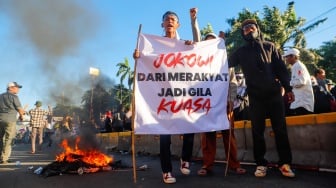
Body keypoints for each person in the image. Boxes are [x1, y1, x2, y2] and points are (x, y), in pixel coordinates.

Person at [133, 10, 195, 184]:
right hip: (162, 97)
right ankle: (167, 171)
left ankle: (186, 158)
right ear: (162, 24)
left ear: (178, 25)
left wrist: (193, 47)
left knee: (190, 125)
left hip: (182, 95)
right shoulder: (152, 47)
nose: (169, 21)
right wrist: (138, 57)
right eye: (166, 19)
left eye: (173, 19)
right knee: (164, 135)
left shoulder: (184, 44)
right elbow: (145, 63)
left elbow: (195, 63)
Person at [228, 19, 295, 178]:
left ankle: (285, 164)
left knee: (280, 129)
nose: (248, 29)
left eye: (251, 27)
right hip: (255, 97)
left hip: (274, 95)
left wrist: (289, 88)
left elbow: (281, 69)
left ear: (257, 29)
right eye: (245, 29)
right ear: (243, 33)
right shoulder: (240, 52)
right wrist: (218, 45)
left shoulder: (270, 46)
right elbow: (224, 62)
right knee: (257, 131)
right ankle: (260, 164)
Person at [189, 8, 246, 176]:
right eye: (207, 42)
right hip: (206, 105)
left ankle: (235, 164)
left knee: (229, 135)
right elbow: (196, 40)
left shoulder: (225, 63)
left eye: (212, 42)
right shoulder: (199, 63)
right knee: (208, 137)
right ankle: (207, 165)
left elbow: (233, 82)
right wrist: (194, 21)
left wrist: (231, 100)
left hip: (224, 104)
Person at [283, 48, 314, 115]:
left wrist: (289, 83)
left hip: (302, 102)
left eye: (287, 56)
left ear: (293, 56)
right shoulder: (296, 66)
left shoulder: (298, 66)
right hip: (299, 101)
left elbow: (301, 82)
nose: (286, 59)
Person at [0, 82, 25, 163]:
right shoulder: (14, 97)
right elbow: (20, 109)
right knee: (9, 139)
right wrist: (21, 116)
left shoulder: (1, 96)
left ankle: (1, 156)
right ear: (10, 88)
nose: (18, 89)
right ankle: (4, 159)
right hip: (10, 120)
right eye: (16, 87)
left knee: (0, 139)